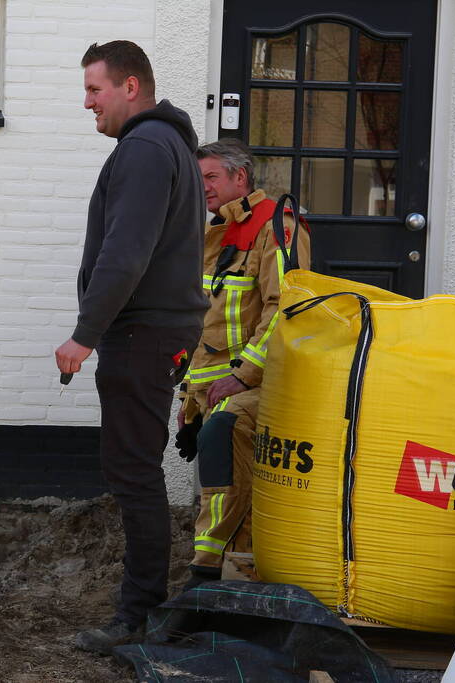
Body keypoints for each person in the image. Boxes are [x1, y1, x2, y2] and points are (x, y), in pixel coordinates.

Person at [55, 40, 208, 655]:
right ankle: (142, 607)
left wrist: (84, 334)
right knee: (135, 470)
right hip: (153, 332)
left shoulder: (145, 148)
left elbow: (126, 253)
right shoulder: (163, 145)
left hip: (143, 334)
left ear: (131, 88)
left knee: (134, 475)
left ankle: (139, 615)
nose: (86, 102)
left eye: (95, 90)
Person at [176, 138, 311, 590]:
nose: (204, 188)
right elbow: (208, 322)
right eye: (200, 180)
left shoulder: (278, 227)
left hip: (258, 388)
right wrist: (188, 403)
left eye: (212, 177)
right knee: (220, 484)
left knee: (227, 464)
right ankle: (220, 577)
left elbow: (284, 311)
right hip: (216, 388)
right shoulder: (216, 232)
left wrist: (241, 376)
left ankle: (207, 578)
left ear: (241, 177)